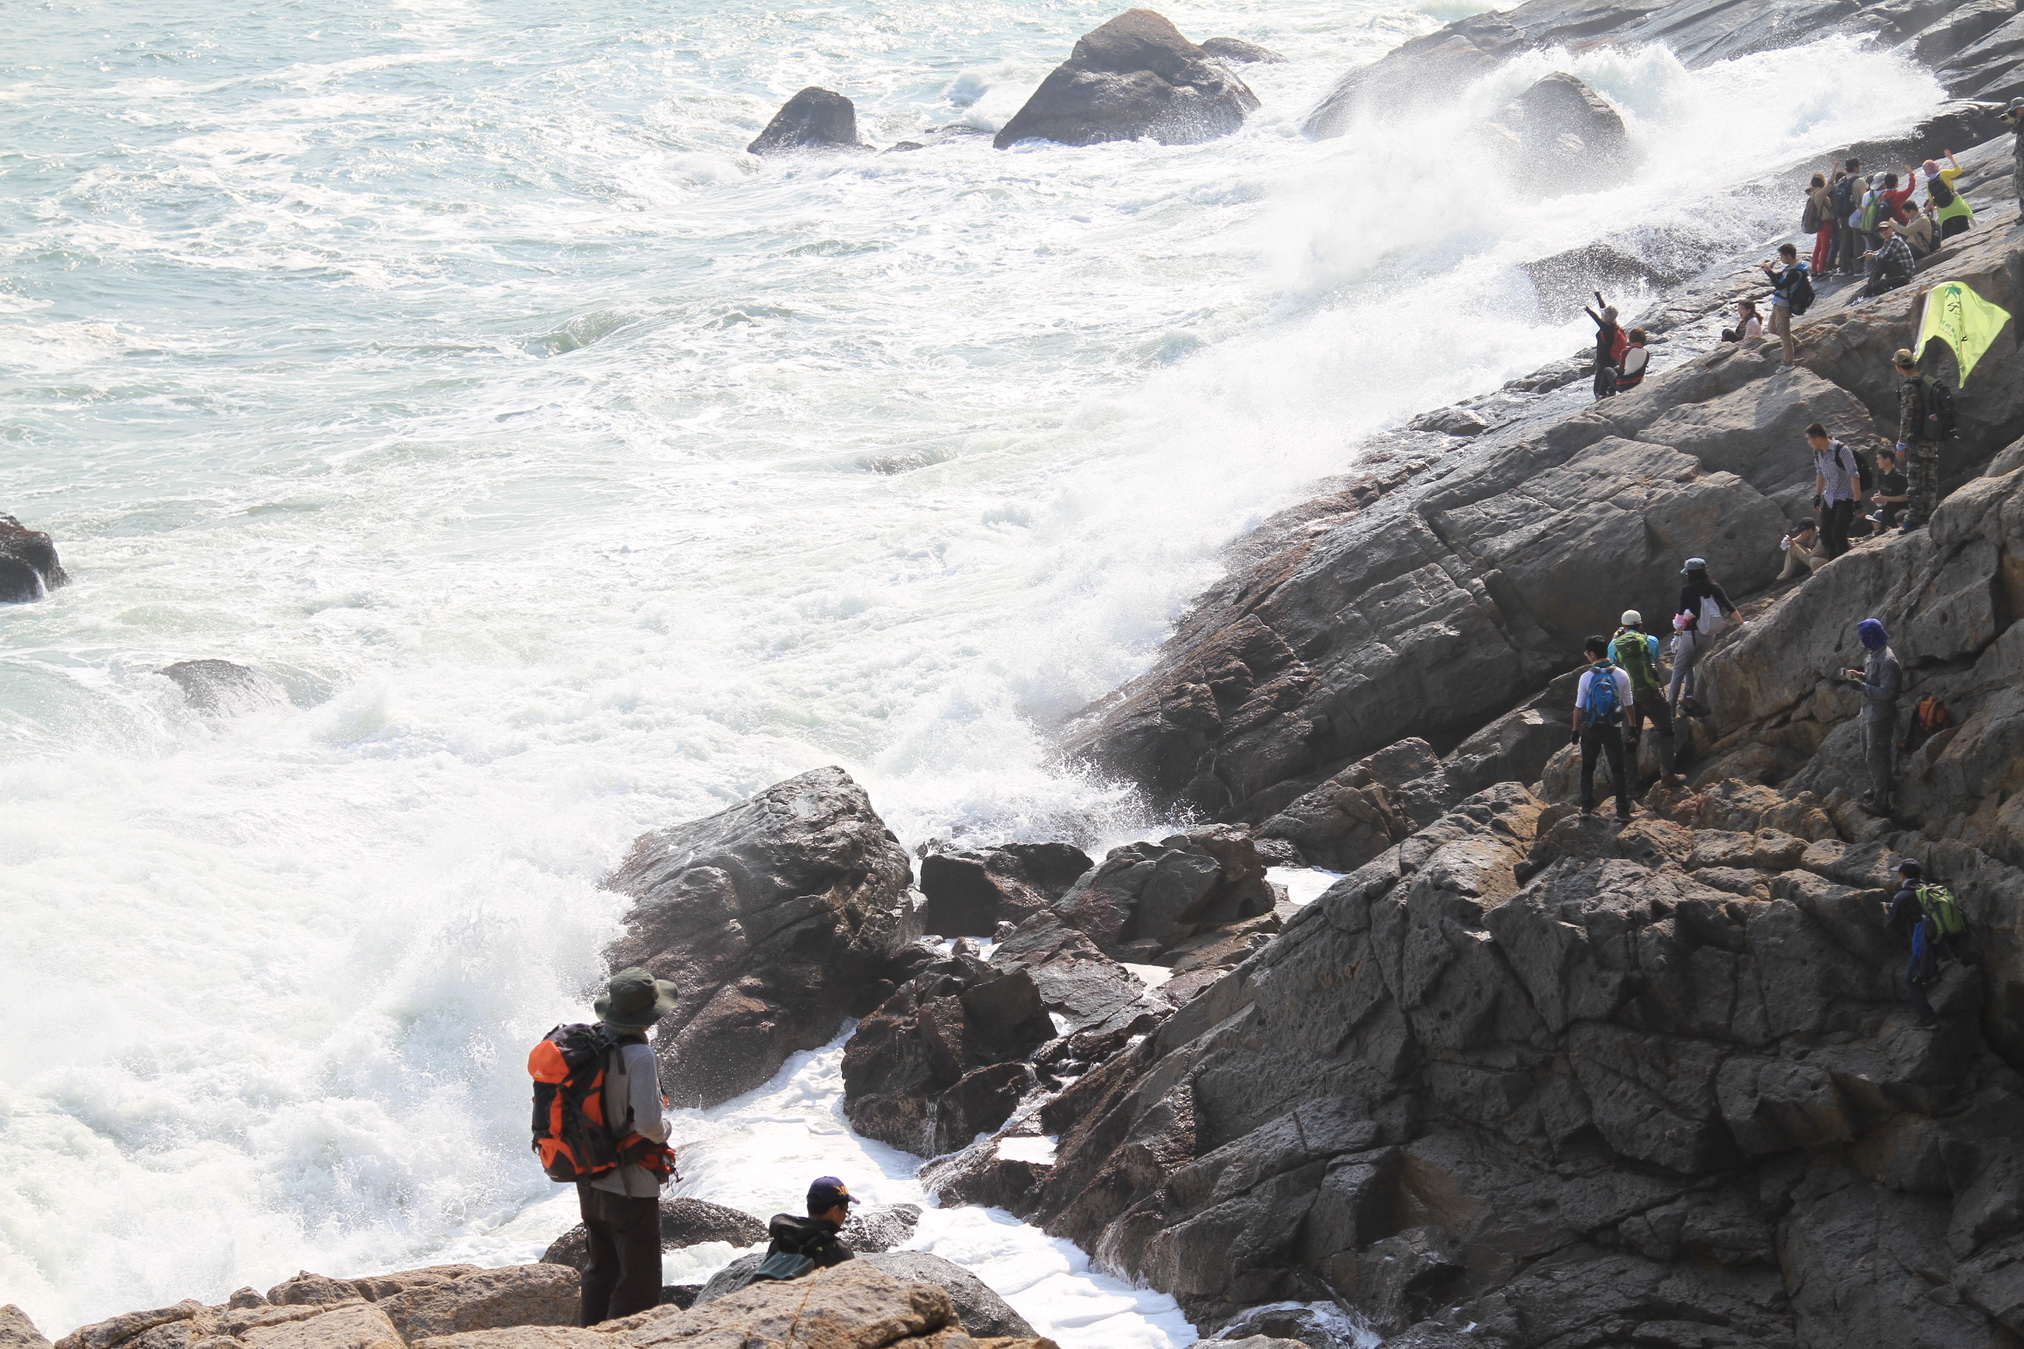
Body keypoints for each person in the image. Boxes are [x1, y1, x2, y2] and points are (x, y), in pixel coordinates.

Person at [577, 967, 680, 1326]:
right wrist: (666, 1129)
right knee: (639, 1283)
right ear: (647, 1017)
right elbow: (649, 1125)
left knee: (600, 1272)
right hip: (629, 1184)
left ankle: (587, 1337)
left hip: (589, 1176)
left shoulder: (589, 1042)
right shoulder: (639, 1056)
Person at [1882, 860, 1970, 1026]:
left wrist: (1888, 911)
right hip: (1944, 939)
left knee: (1910, 980)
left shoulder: (1902, 896)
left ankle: (1926, 1017)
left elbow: (1892, 925)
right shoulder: (1930, 889)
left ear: (1902, 875)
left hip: (1925, 943)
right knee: (1923, 966)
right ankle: (1932, 972)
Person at [1839, 617, 1902, 815]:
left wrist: (1862, 687)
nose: (1861, 640)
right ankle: (1882, 784)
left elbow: (1888, 693)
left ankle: (1881, 804)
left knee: (1877, 756)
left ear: (1871, 637)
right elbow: (1874, 680)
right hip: (1868, 712)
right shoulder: (1874, 655)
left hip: (1880, 715)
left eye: (1863, 636)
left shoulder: (1887, 661)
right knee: (1869, 753)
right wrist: (1860, 676)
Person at [1570, 635, 1635, 821]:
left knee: (1587, 768)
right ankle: (1622, 811)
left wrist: (1575, 731)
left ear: (1592, 654)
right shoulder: (1621, 675)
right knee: (1618, 770)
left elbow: (1578, 707)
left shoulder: (1586, 677)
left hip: (1591, 729)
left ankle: (1586, 809)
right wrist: (1632, 727)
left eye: (1586, 653)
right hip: (1612, 729)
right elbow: (1629, 704)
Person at [1611, 610, 1679, 784]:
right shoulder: (1651, 640)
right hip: (1651, 695)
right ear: (1640, 625)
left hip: (1628, 700)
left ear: (1623, 626)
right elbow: (1654, 660)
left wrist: (1614, 639)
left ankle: (1632, 787)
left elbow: (1611, 666)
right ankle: (1668, 775)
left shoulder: (1614, 645)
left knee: (1630, 743)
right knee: (1666, 731)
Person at [1670, 558, 1741, 714]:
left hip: (1691, 635)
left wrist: (1676, 634)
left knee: (1678, 670)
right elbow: (1730, 606)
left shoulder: (1687, 590)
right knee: (1690, 664)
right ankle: (1688, 695)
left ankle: (1671, 707)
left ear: (1690, 574)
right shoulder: (1715, 587)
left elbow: (1681, 615)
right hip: (1709, 635)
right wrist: (1742, 624)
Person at [760, 1177, 859, 1275]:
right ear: (835, 1211)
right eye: (846, 1210)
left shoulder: (784, 1236)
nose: (846, 1215)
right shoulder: (838, 1249)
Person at [1895, 349, 1940, 531]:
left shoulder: (1909, 387)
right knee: (1930, 476)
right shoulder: (1928, 381)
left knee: (1915, 479)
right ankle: (1928, 513)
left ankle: (1913, 517)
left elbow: (1906, 417)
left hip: (1917, 439)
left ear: (1898, 367)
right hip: (1932, 436)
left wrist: (1901, 443)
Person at [1809, 423, 1860, 559]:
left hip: (1846, 497)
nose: (1809, 443)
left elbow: (1853, 475)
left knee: (1838, 533)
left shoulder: (1842, 450)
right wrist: (1817, 496)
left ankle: (1845, 563)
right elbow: (1820, 473)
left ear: (1818, 438)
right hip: (1830, 496)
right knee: (1825, 534)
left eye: (1809, 439)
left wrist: (1857, 500)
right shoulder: (1817, 452)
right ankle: (1833, 562)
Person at [1758, 244, 1805, 366]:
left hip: (1784, 304)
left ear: (1789, 256)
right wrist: (1769, 271)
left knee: (1784, 335)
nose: (1780, 258)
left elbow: (1779, 285)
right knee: (1772, 329)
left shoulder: (1796, 272)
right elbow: (1778, 278)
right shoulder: (1790, 268)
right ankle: (1797, 343)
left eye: (1782, 256)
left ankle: (1788, 363)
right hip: (1778, 302)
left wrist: (1769, 271)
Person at [1584, 293, 1625, 399]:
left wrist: (1586, 309)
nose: (1602, 316)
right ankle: (1609, 397)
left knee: (1597, 390)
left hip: (1604, 362)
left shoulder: (1606, 328)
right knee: (1608, 386)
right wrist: (1598, 295)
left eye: (1604, 315)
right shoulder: (1613, 325)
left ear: (1606, 317)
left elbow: (1596, 317)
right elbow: (1603, 309)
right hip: (1612, 360)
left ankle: (1602, 403)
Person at [1924, 153, 1972, 241]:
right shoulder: (1943, 173)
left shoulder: (1928, 184)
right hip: (1956, 204)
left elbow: (1931, 200)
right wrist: (1951, 158)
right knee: (1964, 227)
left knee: (1946, 234)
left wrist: (1926, 210)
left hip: (1944, 211)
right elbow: (1958, 171)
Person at [1861, 219, 1913, 299]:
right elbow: (1881, 251)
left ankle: (1869, 288)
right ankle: (1871, 287)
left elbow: (1887, 255)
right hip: (1898, 271)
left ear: (1892, 228)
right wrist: (1871, 253)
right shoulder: (1887, 242)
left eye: (1886, 229)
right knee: (1880, 262)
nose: (1883, 232)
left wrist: (1874, 256)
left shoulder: (1895, 240)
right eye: (1881, 231)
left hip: (1905, 272)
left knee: (1881, 262)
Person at [1835, 159, 1870, 275]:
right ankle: (1858, 268)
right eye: (1859, 166)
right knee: (1858, 241)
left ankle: (1843, 268)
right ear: (1855, 167)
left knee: (1845, 241)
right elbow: (1864, 201)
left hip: (1842, 215)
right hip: (1855, 215)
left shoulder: (1841, 180)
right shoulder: (1859, 181)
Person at [1867, 446, 1909, 531]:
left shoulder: (1898, 476)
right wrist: (1878, 497)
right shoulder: (1881, 474)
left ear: (1887, 460)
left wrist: (1884, 498)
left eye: (1879, 459)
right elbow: (1881, 492)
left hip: (1898, 515)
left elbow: (1906, 496)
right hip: (1886, 513)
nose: (1877, 461)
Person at [1805, 172, 1835, 273]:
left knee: (1818, 247)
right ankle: (1821, 270)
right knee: (1825, 247)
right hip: (1825, 223)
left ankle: (1814, 270)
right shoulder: (1819, 193)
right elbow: (1830, 184)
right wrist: (1835, 168)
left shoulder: (1812, 195)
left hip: (1818, 224)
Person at [2005, 98, 2024, 215]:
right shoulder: (2019, 121)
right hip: (2020, 157)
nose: (2020, 111)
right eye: (2017, 110)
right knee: (2018, 185)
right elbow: (2014, 130)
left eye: (2021, 108)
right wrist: (2010, 120)